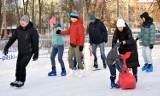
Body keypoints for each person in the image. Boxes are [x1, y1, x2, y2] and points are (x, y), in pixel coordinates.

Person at [3, 15, 39, 87]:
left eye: (24, 21)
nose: (23, 22)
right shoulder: (18, 30)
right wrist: (6, 47)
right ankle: (17, 79)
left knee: (22, 65)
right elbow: (12, 39)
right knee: (18, 65)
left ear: (27, 22)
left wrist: (36, 53)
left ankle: (21, 81)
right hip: (21, 51)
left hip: (29, 51)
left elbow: (35, 42)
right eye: (21, 21)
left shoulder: (32, 30)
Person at [56, 11, 85, 77]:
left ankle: (81, 70)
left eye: (71, 17)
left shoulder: (80, 25)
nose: (71, 19)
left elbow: (82, 36)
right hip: (72, 44)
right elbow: (68, 31)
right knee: (69, 58)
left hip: (77, 45)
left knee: (78, 59)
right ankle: (71, 71)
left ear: (75, 18)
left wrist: (81, 45)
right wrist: (60, 32)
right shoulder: (72, 24)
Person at [112, 19, 140, 85]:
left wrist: (125, 41)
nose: (120, 29)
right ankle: (125, 77)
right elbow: (114, 40)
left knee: (133, 62)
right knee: (124, 62)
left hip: (131, 46)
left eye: (121, 27)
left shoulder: (128, 30)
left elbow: (131, 40)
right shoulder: (116, 31)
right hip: (123, 46)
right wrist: (114, 49)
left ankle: (135, 75)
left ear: (123, 26)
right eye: (118, 27)